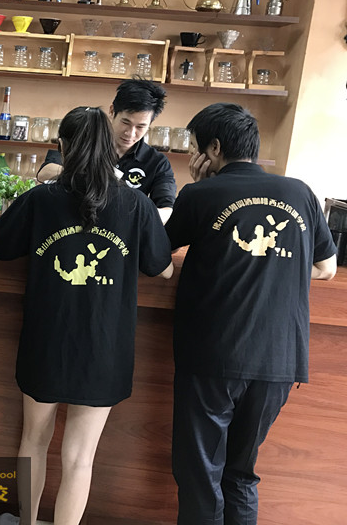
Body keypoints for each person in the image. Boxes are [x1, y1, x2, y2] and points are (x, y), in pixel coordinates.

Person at [0, 107, 174, 525]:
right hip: (105, 346)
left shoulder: (40, 199)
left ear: (63, 147)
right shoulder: (137, 204)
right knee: (79, 458)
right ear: (111, 148)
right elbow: (162, 269)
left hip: (46, 340)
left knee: (33, 441)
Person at [164, 103, 337, 525]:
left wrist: (201, 189)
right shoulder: (301, 192)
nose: (194, 154)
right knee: (240, 474)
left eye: (196, 147)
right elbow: (326, 268)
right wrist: (275, 269)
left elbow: (158, 257)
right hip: (280, 360)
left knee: (200, 473)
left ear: (214, 148)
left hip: (214, 356)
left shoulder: (199, 194)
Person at [37, 78, 176, 223]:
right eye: (125, 122)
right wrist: (100, 178)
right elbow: (45, 172)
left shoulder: (157, 162)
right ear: (112, 111)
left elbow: (166, 210)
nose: (130, 133)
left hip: (124, 231)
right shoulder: (87, 140)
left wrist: (132, 217)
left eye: (140, 127)